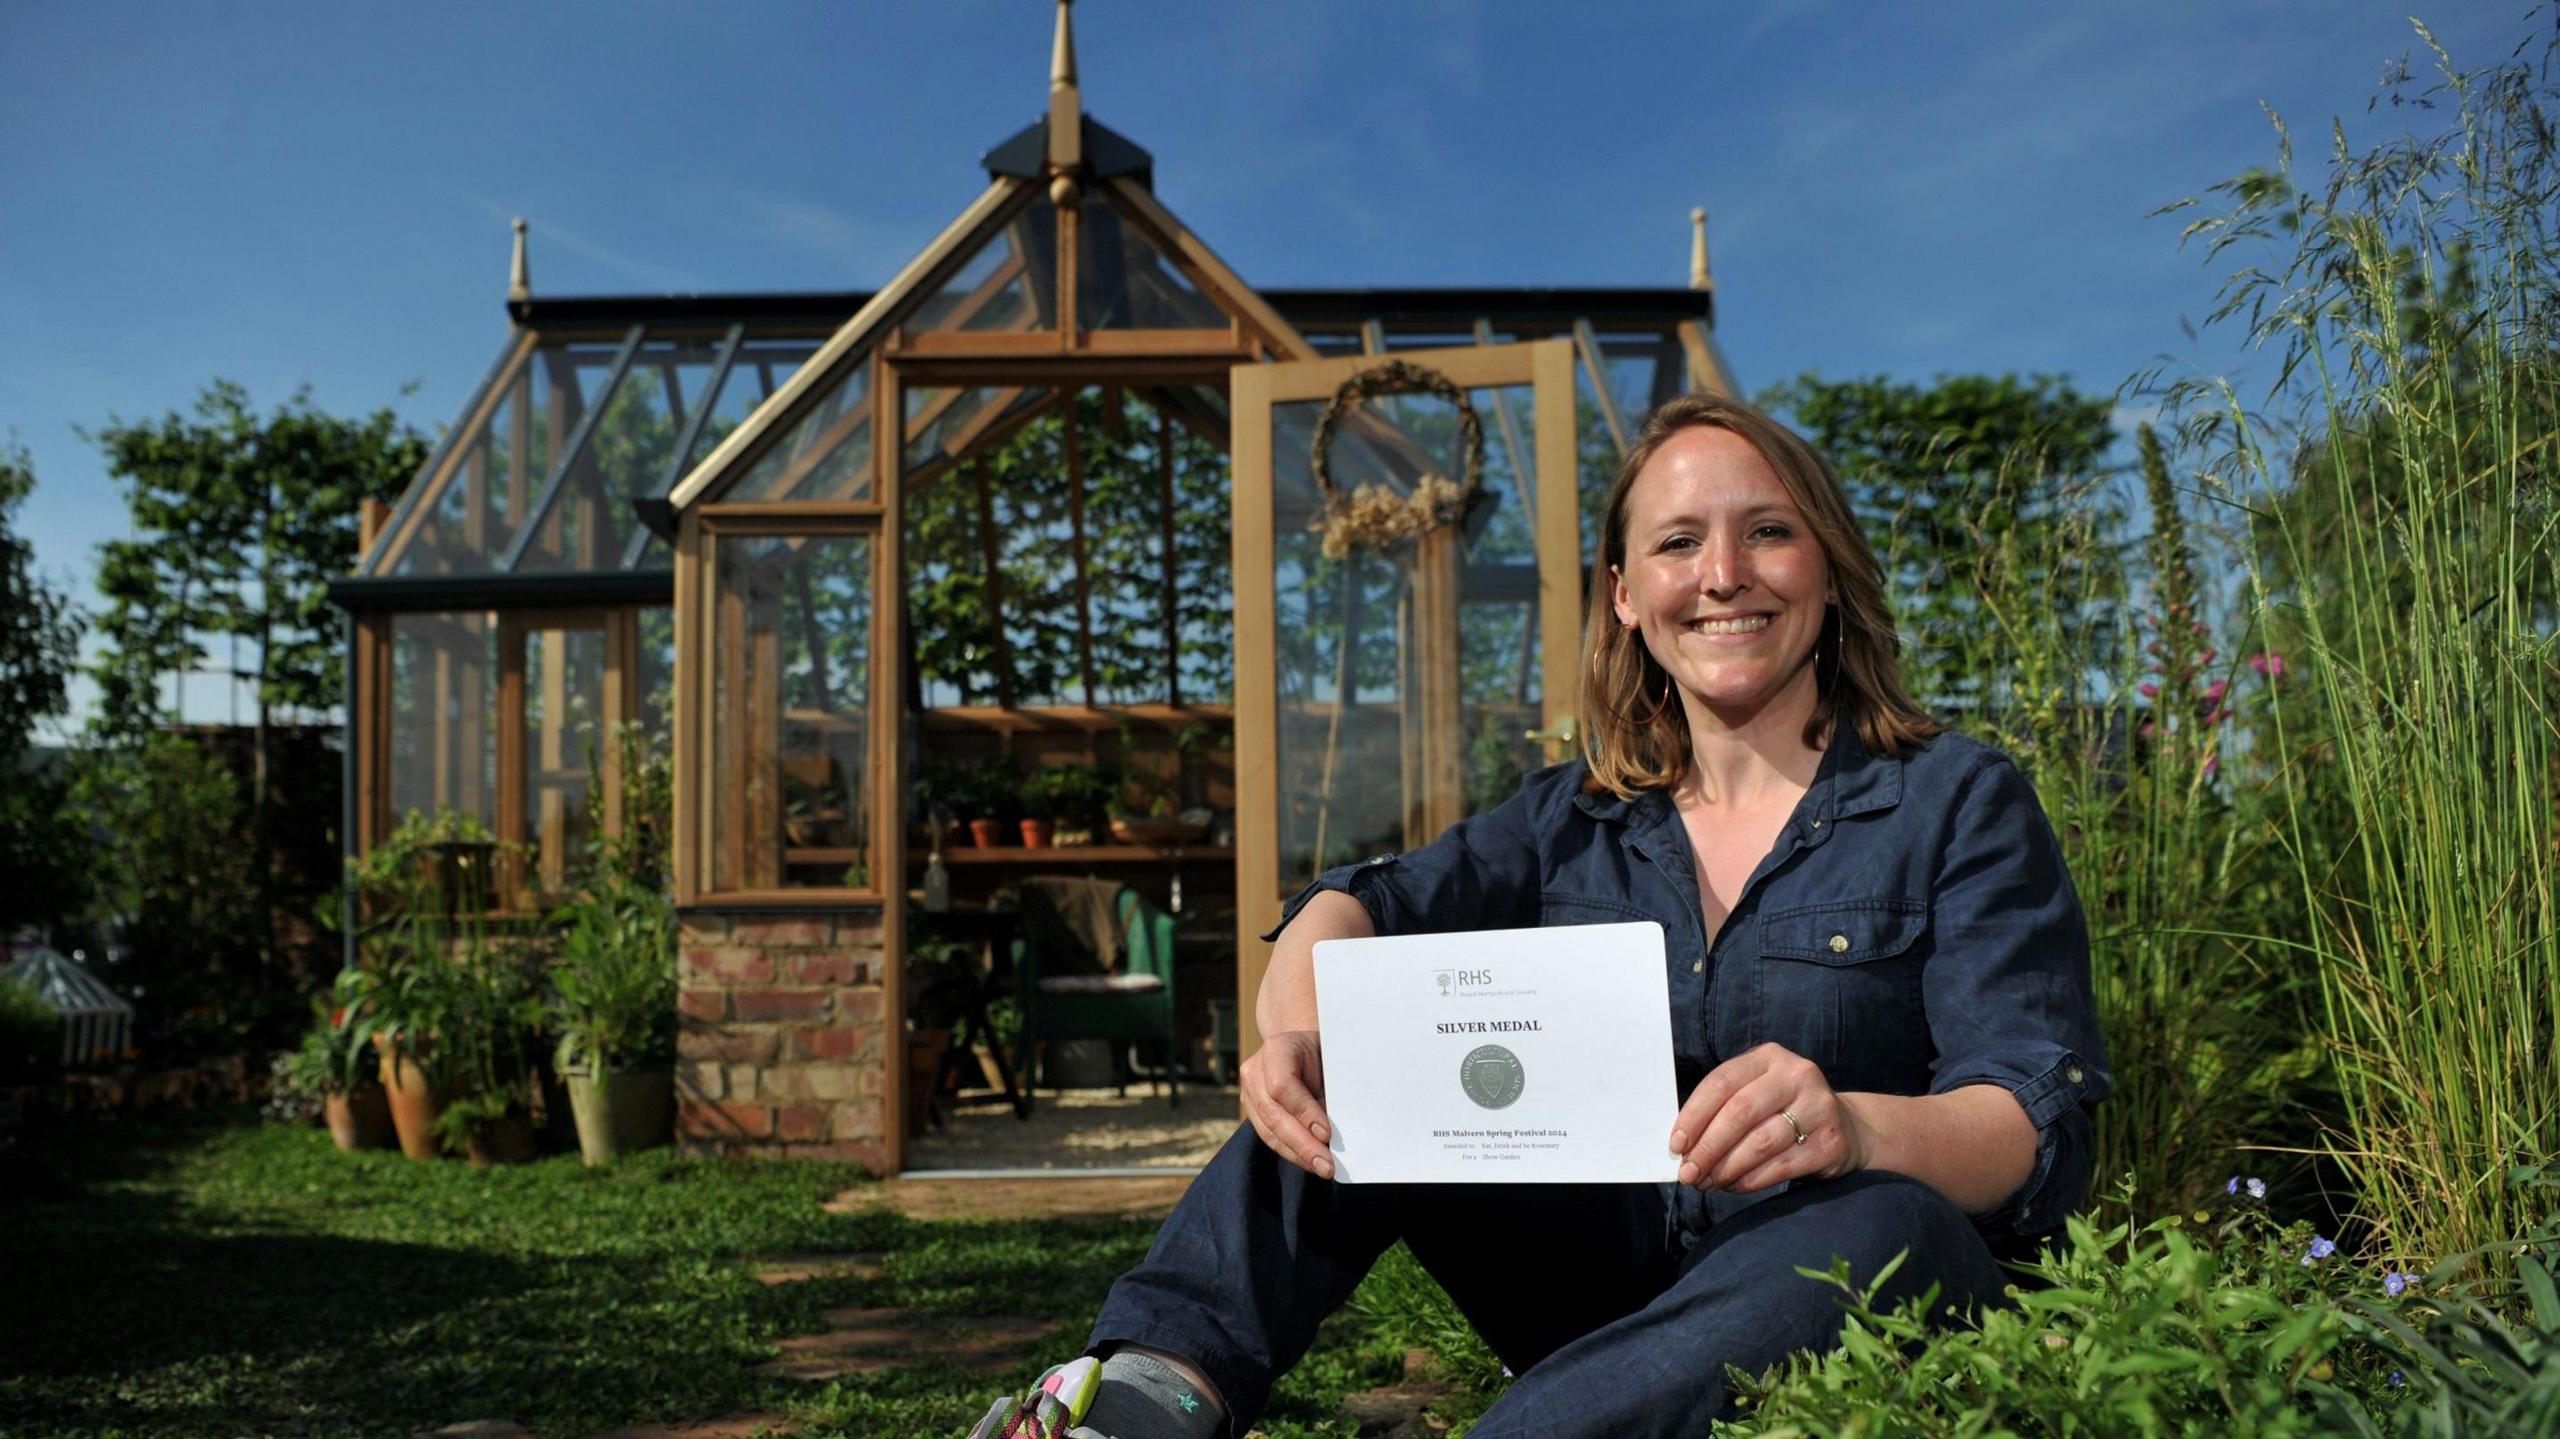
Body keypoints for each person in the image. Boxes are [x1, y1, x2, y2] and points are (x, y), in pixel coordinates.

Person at [968, 392, 2110, 1439]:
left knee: (1882, 1221)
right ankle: (1148, 1398)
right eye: (1676, 541)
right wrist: (1298, 1035)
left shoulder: (1955, 798)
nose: (1722, 573)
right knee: (1351, 1063)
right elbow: (1363, 899)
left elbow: (2028, 1122)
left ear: (1824, 566)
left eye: (1766, 530)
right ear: (1624, 591)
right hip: (1602, 1294)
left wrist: (1855, 1129)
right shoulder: (1575, 816)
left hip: (1841, 1292)